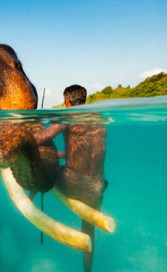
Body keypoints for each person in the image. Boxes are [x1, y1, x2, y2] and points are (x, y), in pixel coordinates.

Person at [34, 84, 107, 272]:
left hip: (73, 183)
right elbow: (78, 152)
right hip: (97, 187)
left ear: (67, 101)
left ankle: (32, 194)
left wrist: (31, 133)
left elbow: (40, 138)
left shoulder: (68, 117)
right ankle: (87, 270)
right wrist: (57, 153)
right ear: (84, 100)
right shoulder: (99, 120)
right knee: (89, 232)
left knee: (45, 166)